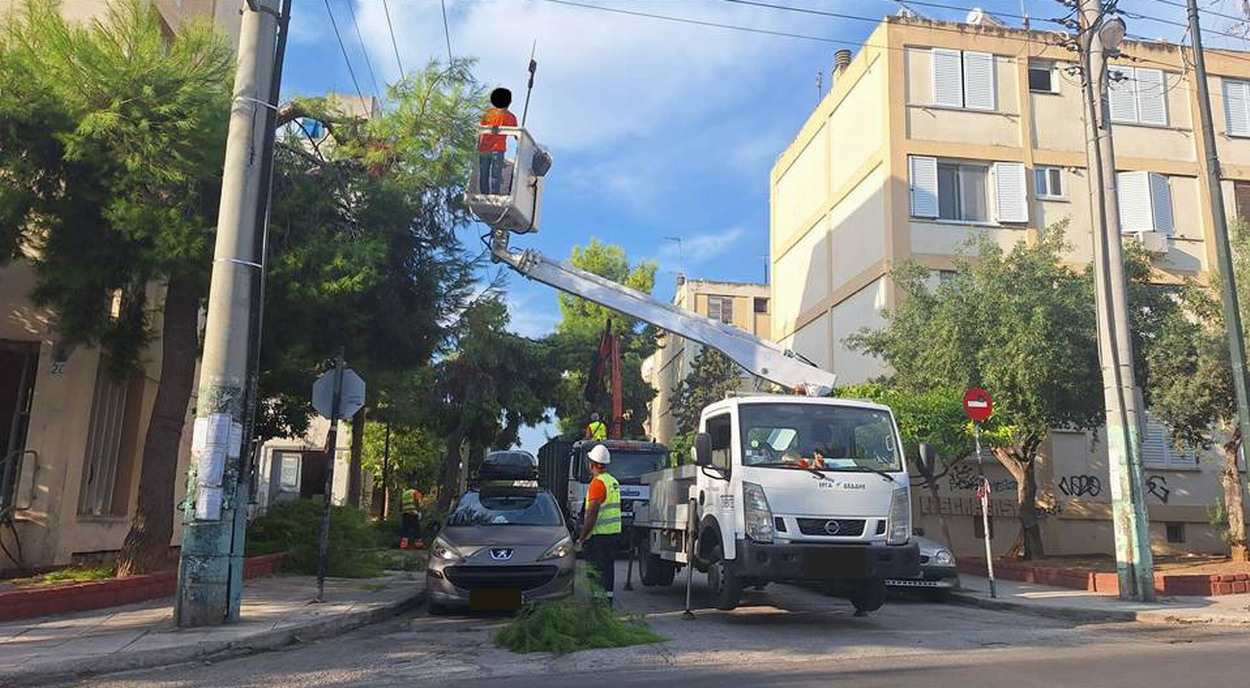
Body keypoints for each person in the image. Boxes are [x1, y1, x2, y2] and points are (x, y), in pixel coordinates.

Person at [578, 444, 621, 606]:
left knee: (596, 572)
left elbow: (592, 513)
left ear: (592, 464)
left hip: (598, 536)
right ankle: (607, 603)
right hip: (613, 534)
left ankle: (597, 606)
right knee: (609, 570)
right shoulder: (613, 482)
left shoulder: (597, 484)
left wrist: (582, 537)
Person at [478, 87, 517, 195]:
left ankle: (485, 194)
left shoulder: (488, 113)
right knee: (494, 173)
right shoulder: (510, 117)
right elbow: (516, 134)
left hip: (487, 148)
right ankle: (492, 195)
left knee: (485, 173)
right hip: (496, 148)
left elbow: (480, 129)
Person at [400, 484, 424, 549]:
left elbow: (401, 503)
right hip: (413, 513)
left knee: (405, 529)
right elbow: (418, 502)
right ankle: (418, 545)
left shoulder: (404, 493)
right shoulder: (415, 492)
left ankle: (404, 545)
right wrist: (419, 512)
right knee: (416, 529)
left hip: (405, 513)